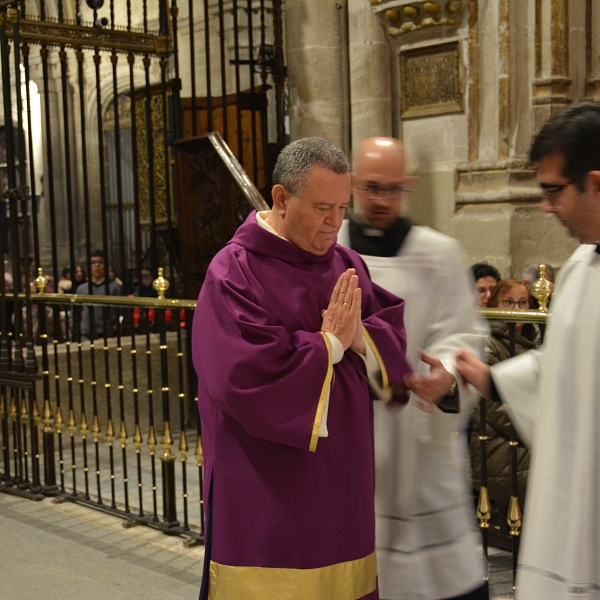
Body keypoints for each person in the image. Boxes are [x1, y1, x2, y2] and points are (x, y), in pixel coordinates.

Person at [192, 137, 412, 600]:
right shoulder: (233, 272)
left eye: (342, 207)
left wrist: (358, 339)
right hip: (265, 486)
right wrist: (328, 345)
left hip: (343, 484)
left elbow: (389, 343)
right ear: (280, 198)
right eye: (322, 208)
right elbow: (241, 377)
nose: (336, 223)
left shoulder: (346, 265)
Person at [455, 101, 600, 599]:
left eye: (553, 191)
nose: (545, 206)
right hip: (573, 507)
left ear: (596, 184)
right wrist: (491, 377)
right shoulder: (581, 266)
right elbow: (564, 364)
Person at [337, 137, 489, 600]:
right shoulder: (333, 247)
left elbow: (461, 334)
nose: (381, 200)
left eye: (392, 188)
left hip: (420, 442)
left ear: (409, 186)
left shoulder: (439, 253)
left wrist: (444, 374)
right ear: (353, 185)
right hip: (355, 436)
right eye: (370, 187)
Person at [470, 279, 540, 510]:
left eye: (523, 303)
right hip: (497, 443)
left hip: (527, 435)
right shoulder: (486, 343)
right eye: (508, 302)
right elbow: (494, 409)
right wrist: (541, 431)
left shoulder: (535, 340)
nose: (516, 309)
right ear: (494, 304)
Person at [76, 250, 121, 339]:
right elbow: (75, 313)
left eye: (101, 262)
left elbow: (121, 311)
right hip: (87, 335)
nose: (97, 265)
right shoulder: (82, 288)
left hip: (110, 334)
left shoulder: (115, 287)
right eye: (93, 263)